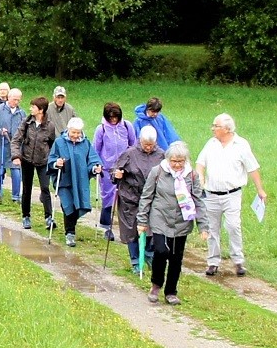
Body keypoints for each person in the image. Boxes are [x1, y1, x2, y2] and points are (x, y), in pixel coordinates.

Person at [196, 112, 267, 277]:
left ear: (227, 129)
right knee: (212, 228)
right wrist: (200, 176)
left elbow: (252, 168)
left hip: (232, 194)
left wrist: (260, 190)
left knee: (233, 226)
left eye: (216, 126)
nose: (213, 129)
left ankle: (238, 260)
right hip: (211, 193)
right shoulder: (211, 143)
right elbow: (200, 163)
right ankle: (213, 262)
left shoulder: (241, 145)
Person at [137, 142, 208, 305]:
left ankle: (171, 291)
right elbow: (146, 197)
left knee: (176, 258)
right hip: (160, 217)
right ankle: (156, 285)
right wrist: (142, 220)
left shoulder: (192, 176)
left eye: (180, 161)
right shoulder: (158, 172)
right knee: (161, 251)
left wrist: (203, 226)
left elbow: (198, 201)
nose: (177, 165)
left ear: (186, 161)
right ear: (168, 159)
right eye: (174, 161)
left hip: (182, 221)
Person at [113, 126, 165, 271]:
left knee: (152, 228)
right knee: (132, 230)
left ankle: (148, 253)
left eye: (151, 145)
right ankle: (135, 260)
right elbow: (115, 169)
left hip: (152, 198)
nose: (148, 147)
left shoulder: (161, 155)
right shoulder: (129, 153)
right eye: (145, 144)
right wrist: (116, 174)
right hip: (130, 198)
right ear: (140, 141)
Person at [47, 117, 103, 247]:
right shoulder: (59, 142)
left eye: (78, 132)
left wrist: (95, 168)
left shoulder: (85, 143)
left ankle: (71, 228)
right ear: (68, 130)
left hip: (80, 181)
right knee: (68, 206)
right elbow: (51, 159)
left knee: (78, 206)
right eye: (73, 132)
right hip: (64, 182)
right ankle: (70, 234)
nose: (76, 135)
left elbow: (93, 159)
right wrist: (57, 163)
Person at [12, 95, 57, 230]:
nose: (30, 108)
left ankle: (49, 217)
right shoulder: (26, 123)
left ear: (41, 110)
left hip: (43, 161)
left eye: (33, 107)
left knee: (45, 188)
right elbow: (16, 140)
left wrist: (52, 158)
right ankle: (26, 216)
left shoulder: (50, 126)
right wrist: (16, 156)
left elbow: (52, 143)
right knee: (27, 189)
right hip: (26, 160)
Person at [93, 102, 137, 239]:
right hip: (107, 169)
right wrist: (97, 165)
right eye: (110, 117)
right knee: (108, 198)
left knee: (125, 198)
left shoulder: (126, 126)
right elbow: (96, 149)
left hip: (124, 169)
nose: (113, 119)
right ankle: (106, 228)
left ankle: (127, 228)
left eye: (116, 117)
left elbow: (133, 144)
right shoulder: (101, 129)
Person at [0, 87, 25, 202]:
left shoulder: (22, 113)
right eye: (15, 99)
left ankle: (16, 196)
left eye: (18, 100)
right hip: (2, 145)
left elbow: (26, 129)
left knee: (16, 171)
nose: (16, 102)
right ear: (9, 98)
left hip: (16, 147)